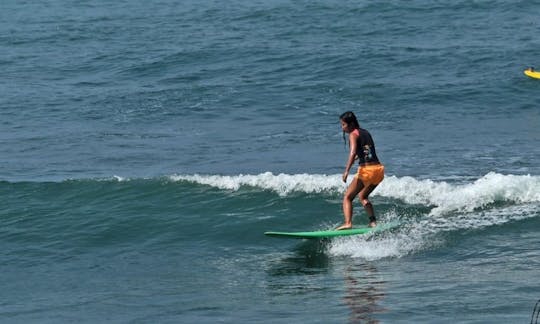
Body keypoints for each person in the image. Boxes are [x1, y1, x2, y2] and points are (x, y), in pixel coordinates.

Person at [336, 111, 385, 230]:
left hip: (367, 171)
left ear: (351, 124)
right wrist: (357, 157)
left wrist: (346, 170)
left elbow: (352, 153)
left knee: (347, 197)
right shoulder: (365, 132)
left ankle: (348, 223)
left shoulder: (353, 134)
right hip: (378, 171)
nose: (342, 128)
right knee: (363, 196)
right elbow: (367, 152)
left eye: (343, 125)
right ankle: (373, 222)